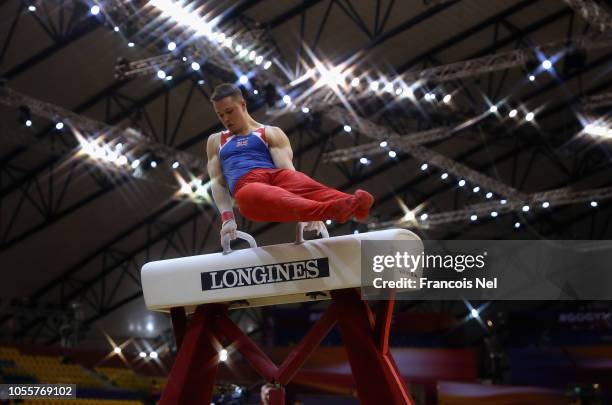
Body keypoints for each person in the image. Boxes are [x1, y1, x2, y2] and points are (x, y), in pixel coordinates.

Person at [206, 83, 374, 245]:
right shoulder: (216, 141)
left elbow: (289, 175)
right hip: (248, 188)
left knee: (305, 184)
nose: (226, 118)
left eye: (229, 111)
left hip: (275, 177)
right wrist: (227, 219)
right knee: (262, 194)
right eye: (220, 115)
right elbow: (218, 183)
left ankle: (354, 203)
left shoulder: (271, 132)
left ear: (242, 105)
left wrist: (305, 210)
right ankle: (329, 210)